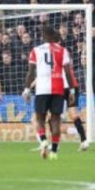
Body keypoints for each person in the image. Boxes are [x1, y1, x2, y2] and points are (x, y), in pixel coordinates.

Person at [23, 26, 76, 160]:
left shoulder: (36, 50)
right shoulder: (62, 50)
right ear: (54, 36)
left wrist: (27, 89)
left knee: (39, 117)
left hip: (41, 88)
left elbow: (31, 72)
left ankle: (43, 139)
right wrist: (72, 90)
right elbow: (68, 71)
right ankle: (54, 152)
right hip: (58, 87)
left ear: (43, 36)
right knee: (56, 120)